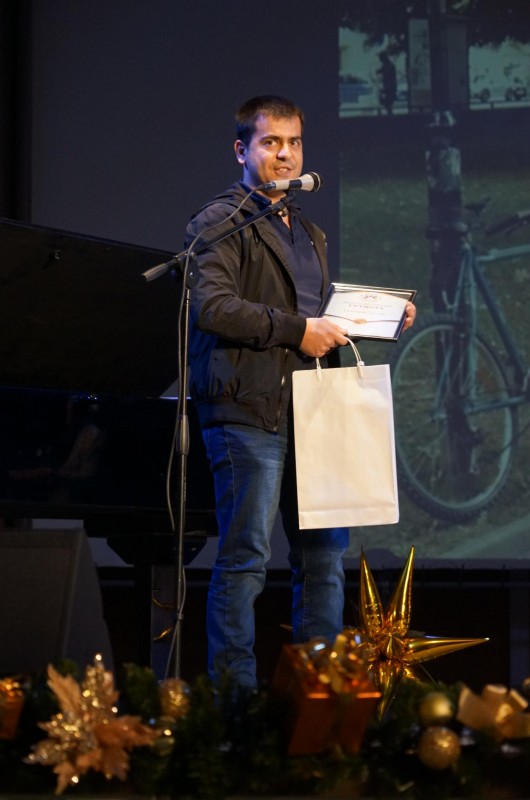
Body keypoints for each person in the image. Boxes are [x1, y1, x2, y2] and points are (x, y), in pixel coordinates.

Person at [185, 95, 416, 690]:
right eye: (270, 142)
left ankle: (319, 698)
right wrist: (297, 330)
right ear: (242, 150)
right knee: (246, 561)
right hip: (248, 413)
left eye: (293, 143)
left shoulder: (308, 231)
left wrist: (379, 317)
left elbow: (319, 315)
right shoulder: (220, 222)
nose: (285, 154)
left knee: (323, 562)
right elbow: (214, 307)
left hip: (317, 415)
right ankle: (235, 705)